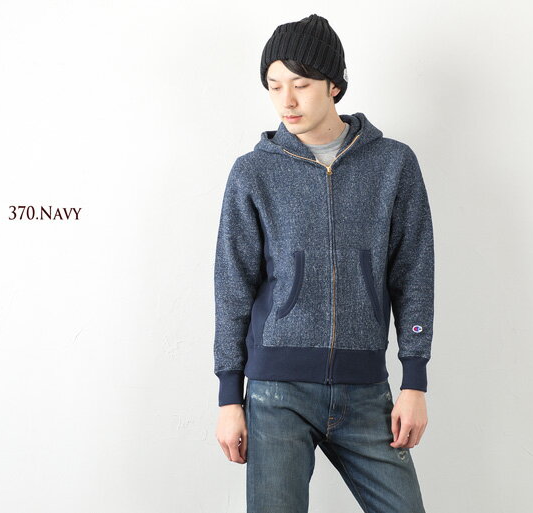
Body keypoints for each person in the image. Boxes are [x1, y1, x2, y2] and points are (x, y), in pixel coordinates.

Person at [212, 14, 434, 513]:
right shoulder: (253, 172)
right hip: (276, 395)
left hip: (366, 392)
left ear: (334, 85)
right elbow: (232, 288)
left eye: (301, 84)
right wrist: (229, 396)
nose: (286, 101)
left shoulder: (393, 164)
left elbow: (414, 275)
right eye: (274, 86)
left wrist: (414, 380)